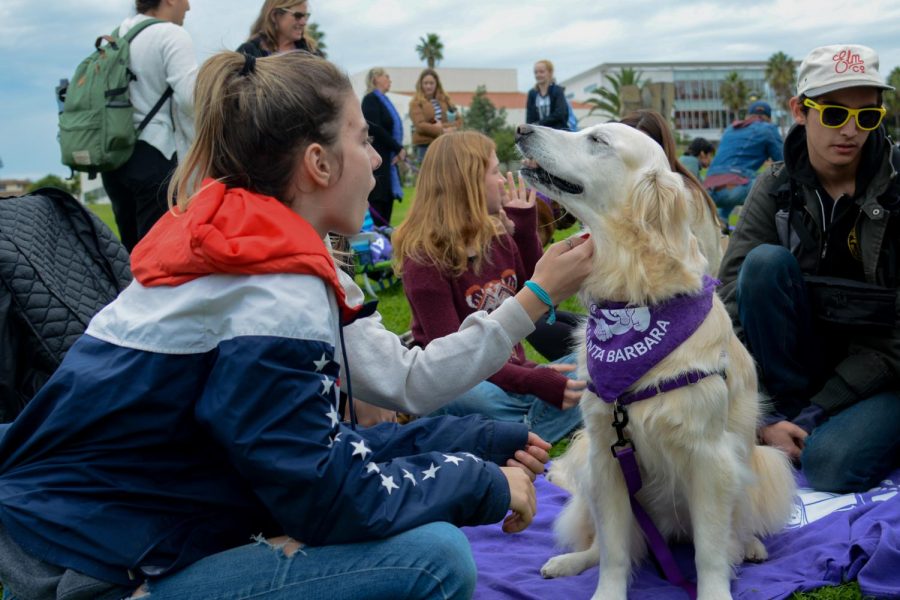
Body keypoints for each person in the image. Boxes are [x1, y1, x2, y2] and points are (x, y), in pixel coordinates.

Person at [0, 50, 595, 600]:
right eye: (363, 139)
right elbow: (331, 497)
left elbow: (352, 421)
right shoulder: (272, 292)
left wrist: (476, 442)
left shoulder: (251, 246)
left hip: (110, 531)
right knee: (432, 558)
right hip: (89, 570)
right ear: (318, 163)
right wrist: (480, 482)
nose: (381, 158)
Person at [718, 44, 900, 493]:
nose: (852, 130)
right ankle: (790, 424)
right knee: (762, 266)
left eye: (868, 117)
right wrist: (764, 415)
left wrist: (819, 412)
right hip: (796, 373)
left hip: (882, 372)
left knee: (830, 467)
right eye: (835, 114)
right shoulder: (775, 188)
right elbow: (728, 303)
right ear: (800, 110)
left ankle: (820, 429)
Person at [392, 131, 586, 444]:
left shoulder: (496, 240)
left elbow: (539, 300)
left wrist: (524, 230)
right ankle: (526, 429)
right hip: (461, 382)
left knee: (597, 363)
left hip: (511, 377)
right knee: (472, 399)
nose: (503, 180)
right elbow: (455, 362)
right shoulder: (425, 261)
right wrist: (532, 380)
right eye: (495, 172)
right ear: (468, 184)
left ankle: (511, 431)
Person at [100, 0, 197, 252]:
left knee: (132, 257)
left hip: (114, 159)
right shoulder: (171, 34)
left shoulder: (119, 33)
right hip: (156, 156)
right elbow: (191, 99)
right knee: (161, 259)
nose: (188, 6)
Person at [620, 109, 724, 273]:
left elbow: (702, 271)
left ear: (661, 149)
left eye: (641, 146)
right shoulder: (632, 193)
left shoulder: (683, 197)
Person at [704, 100, 784, 220]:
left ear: (748, 116)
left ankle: (722, 222)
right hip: (735, 189)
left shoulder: (730, 129)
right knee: (772, 182)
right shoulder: (768, 128)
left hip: (708, 189)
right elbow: (783, 162)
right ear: (769, 118)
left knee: (735, 179)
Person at [362, 67, 406, 227]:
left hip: (389, 164)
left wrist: (396, 150)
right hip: (378, 164)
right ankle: (379, 245)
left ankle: (385, 244)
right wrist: (397, 147)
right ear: (375, 79)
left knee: (387, 206)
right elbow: (375, 128)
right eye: (386, 76)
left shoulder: (385, 101)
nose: (390, 80)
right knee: (378, 205)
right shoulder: (370, 100)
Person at [409, 68, 462, 162]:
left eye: (431, 83)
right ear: (420, 84)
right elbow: (420, 126)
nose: (428, 86)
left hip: (446, 145)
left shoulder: (445, 100)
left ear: (437, 84)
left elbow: (458, 121)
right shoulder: (415, 103)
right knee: (428, 176)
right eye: (425, 83)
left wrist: (444, 128)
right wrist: (442, 130)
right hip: (426, 147)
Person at [236, 0, 323, 57]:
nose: (304, 22)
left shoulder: (313, 55)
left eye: (306, 16)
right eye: (298, 16)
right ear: (274, 16)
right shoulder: (247, 54)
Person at [526, 59, 570, 130]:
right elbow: (529, 117)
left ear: (550, 73)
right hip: (539, 133)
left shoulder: (557, 90)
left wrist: (540, 123)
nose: (538, 75)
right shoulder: (532, 93)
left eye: (541, 72)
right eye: (536, 72)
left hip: (558, 131)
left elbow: (560, 113)